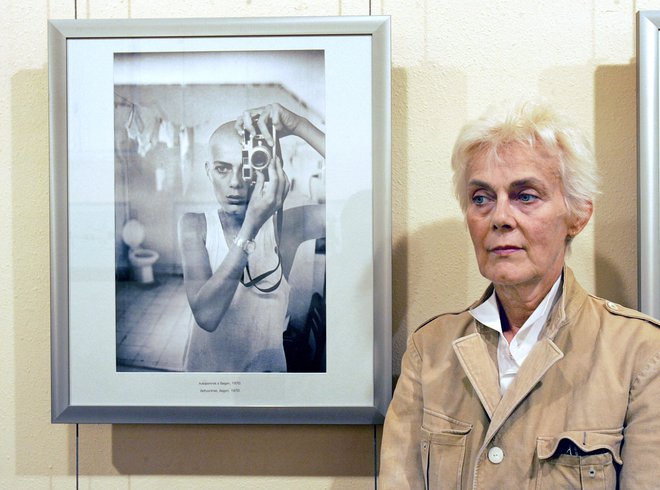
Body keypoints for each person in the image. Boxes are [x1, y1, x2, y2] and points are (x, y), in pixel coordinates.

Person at [379, 101, 660, 488]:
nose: (500, 217)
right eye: (481, 198)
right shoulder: (429, 350)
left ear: (577, 215)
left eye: (525, 196)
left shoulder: (641, 354)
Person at [179, 103, 325, 372]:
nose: (235, 182)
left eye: (247, 167)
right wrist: (251, 226)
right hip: (206, 381)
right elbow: (207, 315)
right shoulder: (194, 225)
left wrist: (299, 126)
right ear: (208, 170)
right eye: (223, 169)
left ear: (264, 169)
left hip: (264, 382)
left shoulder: (285, 228)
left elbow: (363, 196)